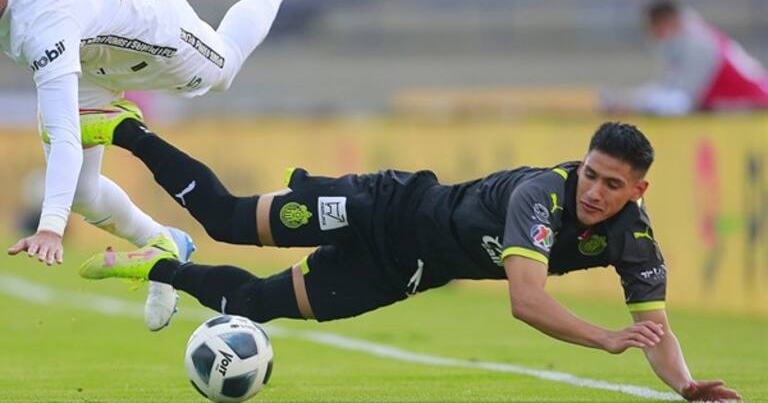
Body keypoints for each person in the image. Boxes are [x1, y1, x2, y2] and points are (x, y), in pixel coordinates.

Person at [78, 108, 740, 402]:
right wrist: (605, 339)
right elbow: (526, 300)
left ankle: (157, 262)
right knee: (227, 218)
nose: (594, 192)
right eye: (591, 173)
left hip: (408, 269)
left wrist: (685, 386)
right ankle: (125, 127)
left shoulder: (634, 241)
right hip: (381, 207)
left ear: (639, 190)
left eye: (612, 184)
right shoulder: (543, 196)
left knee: (254, 304)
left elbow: (656, 329)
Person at [0, 0, 316, 330]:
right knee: (81, 192)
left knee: (225, 68)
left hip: (150, 30)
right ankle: (165, 242)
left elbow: (65, 136)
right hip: (89, 48)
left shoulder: (42, 24)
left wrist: (50, 227)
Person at [600, 0, 768, 115]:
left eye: (654, 30)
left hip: (756, 110)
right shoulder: (687, 41)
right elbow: (667, 88)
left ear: (666, 23)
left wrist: (630, 104)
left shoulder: (697, 45)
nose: (654, 37)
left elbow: (680, 102)